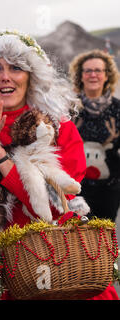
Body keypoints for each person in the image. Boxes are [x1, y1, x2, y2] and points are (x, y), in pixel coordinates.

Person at [0, 30, 118, 300]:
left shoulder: (58, 127)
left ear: (32, 76)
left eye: (16, 68)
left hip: (51, 255)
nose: (5, 76)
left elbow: (52, 205)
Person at [69, 49, 120, 222]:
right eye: (88, 70)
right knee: (77, 241)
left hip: (109, 188)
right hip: (74, 188)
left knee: (104, 240)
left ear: (107, 76)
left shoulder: (118, 109)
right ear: (80, 76)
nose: (93, 75)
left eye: (98, 70)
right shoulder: (68, 108)